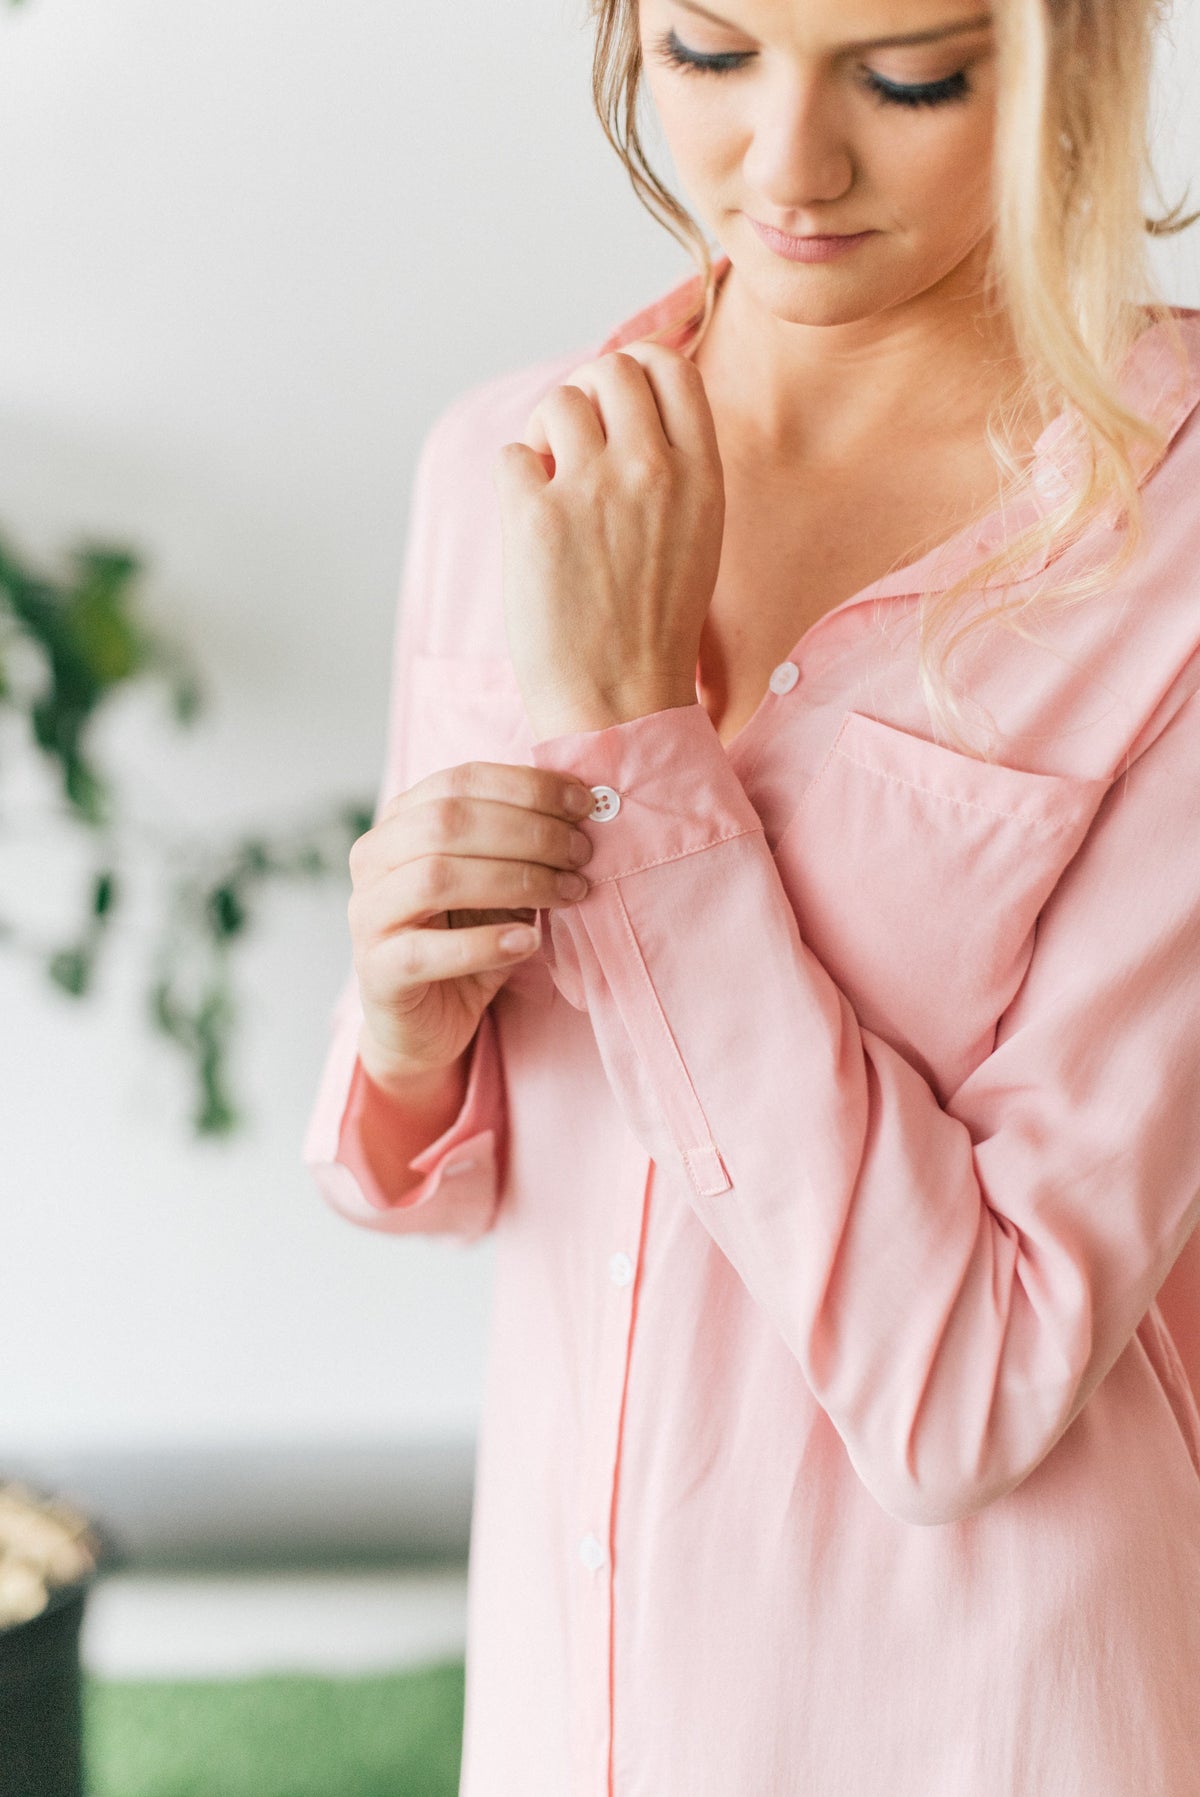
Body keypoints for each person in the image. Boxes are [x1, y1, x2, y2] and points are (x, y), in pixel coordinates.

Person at [304, 0, 1200, 1789]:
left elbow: (978, 1385)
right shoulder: (511, 472)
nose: (786, 166)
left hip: (991, 1718)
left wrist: (644, 753)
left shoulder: (1169, 537)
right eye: (711, 54)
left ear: (1080, 55)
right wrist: (402, 1030)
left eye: (910, 74)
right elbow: (472, 1180)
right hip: (582, 1704)